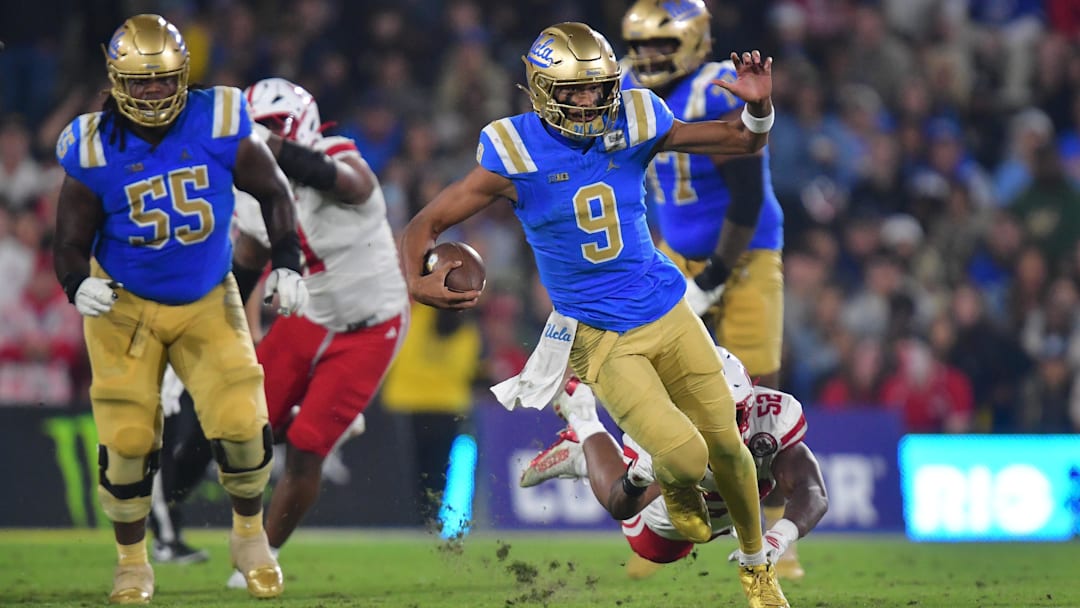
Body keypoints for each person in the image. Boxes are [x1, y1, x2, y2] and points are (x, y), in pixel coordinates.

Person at [400, 22, 789, 607]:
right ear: (539, 89)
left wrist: (760, 110)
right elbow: (423, 225)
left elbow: (740, 141)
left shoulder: (635, 119)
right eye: (573, 91)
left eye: (596, 88)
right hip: (600, 334)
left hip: (668, 306)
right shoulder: (513, 152)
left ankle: (759, 571)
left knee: (730, 449)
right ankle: (669, 490)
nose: (588, 101)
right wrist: (416, 279)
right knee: (684, 458)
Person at [52, 15, 307, 603]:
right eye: (139, 83)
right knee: (127, 441)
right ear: (117, 80)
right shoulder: (93, 145)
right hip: (122, 305)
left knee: (244, 424)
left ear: (182, 76)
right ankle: (132, 562)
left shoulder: (217, 119)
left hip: (206, 297)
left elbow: (274, 192)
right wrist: (73, 282)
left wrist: (289, 262)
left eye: (162, 81)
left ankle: (249, 539)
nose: (152, 93)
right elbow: (68, 236)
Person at [621, 0, 794, 573]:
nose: (646, 57)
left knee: (754, 402)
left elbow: (746, 199)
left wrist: (715, 279)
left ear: (693, 40)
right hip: (675, 255)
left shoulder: (716, 89)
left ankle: (771, 537)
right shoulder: (626, 93)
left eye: (660, 46)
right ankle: (662, 527)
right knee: (663, 388)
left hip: (741, 256)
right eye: (640, 46)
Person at [221, 77, 410, 587]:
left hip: (370, 327)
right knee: (245, 428)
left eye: (273, 131)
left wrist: (260, 143)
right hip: (306, 321)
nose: (264, 142)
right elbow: (244, 272)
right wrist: (223, 339)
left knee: (306, 450)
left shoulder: (343, 157)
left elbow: (341, 180)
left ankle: (265, 551)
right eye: (255, 133)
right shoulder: (253, 193)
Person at [519, 347, 827, 582]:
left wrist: (779, 536)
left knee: (704, 528)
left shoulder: (771, 419)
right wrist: (634, 482)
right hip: (668, 515)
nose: (719, 427)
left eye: (728, 413)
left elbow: (813, 491)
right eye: (707, 415)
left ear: (748, 405)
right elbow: (620, 505)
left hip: (721, 513)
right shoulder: (659, 433)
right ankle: (583, 422)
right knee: (657, 549)